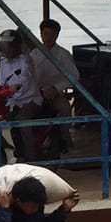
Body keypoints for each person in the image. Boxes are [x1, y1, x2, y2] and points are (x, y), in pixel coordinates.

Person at [0, 31, 48, 160]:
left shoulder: (26, 60)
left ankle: (30, 157)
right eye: (3, 48)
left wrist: (17, 85)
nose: (6, 52)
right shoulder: (3, 62)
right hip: (12, 100)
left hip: (30, 100)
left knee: (22, 121)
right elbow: (1, 82)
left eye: (8, 48)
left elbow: (25, 76)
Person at [31, 19, 79, 157]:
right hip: (36, 93)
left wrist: (56, 88)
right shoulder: (34, 55)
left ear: (57, 35)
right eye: (46, 33)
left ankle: (64, 138)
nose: (49, 37)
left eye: (52, 34)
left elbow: (74, 76)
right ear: (41, 34)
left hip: (55, 93)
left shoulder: (63, 54)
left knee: (65, 108)